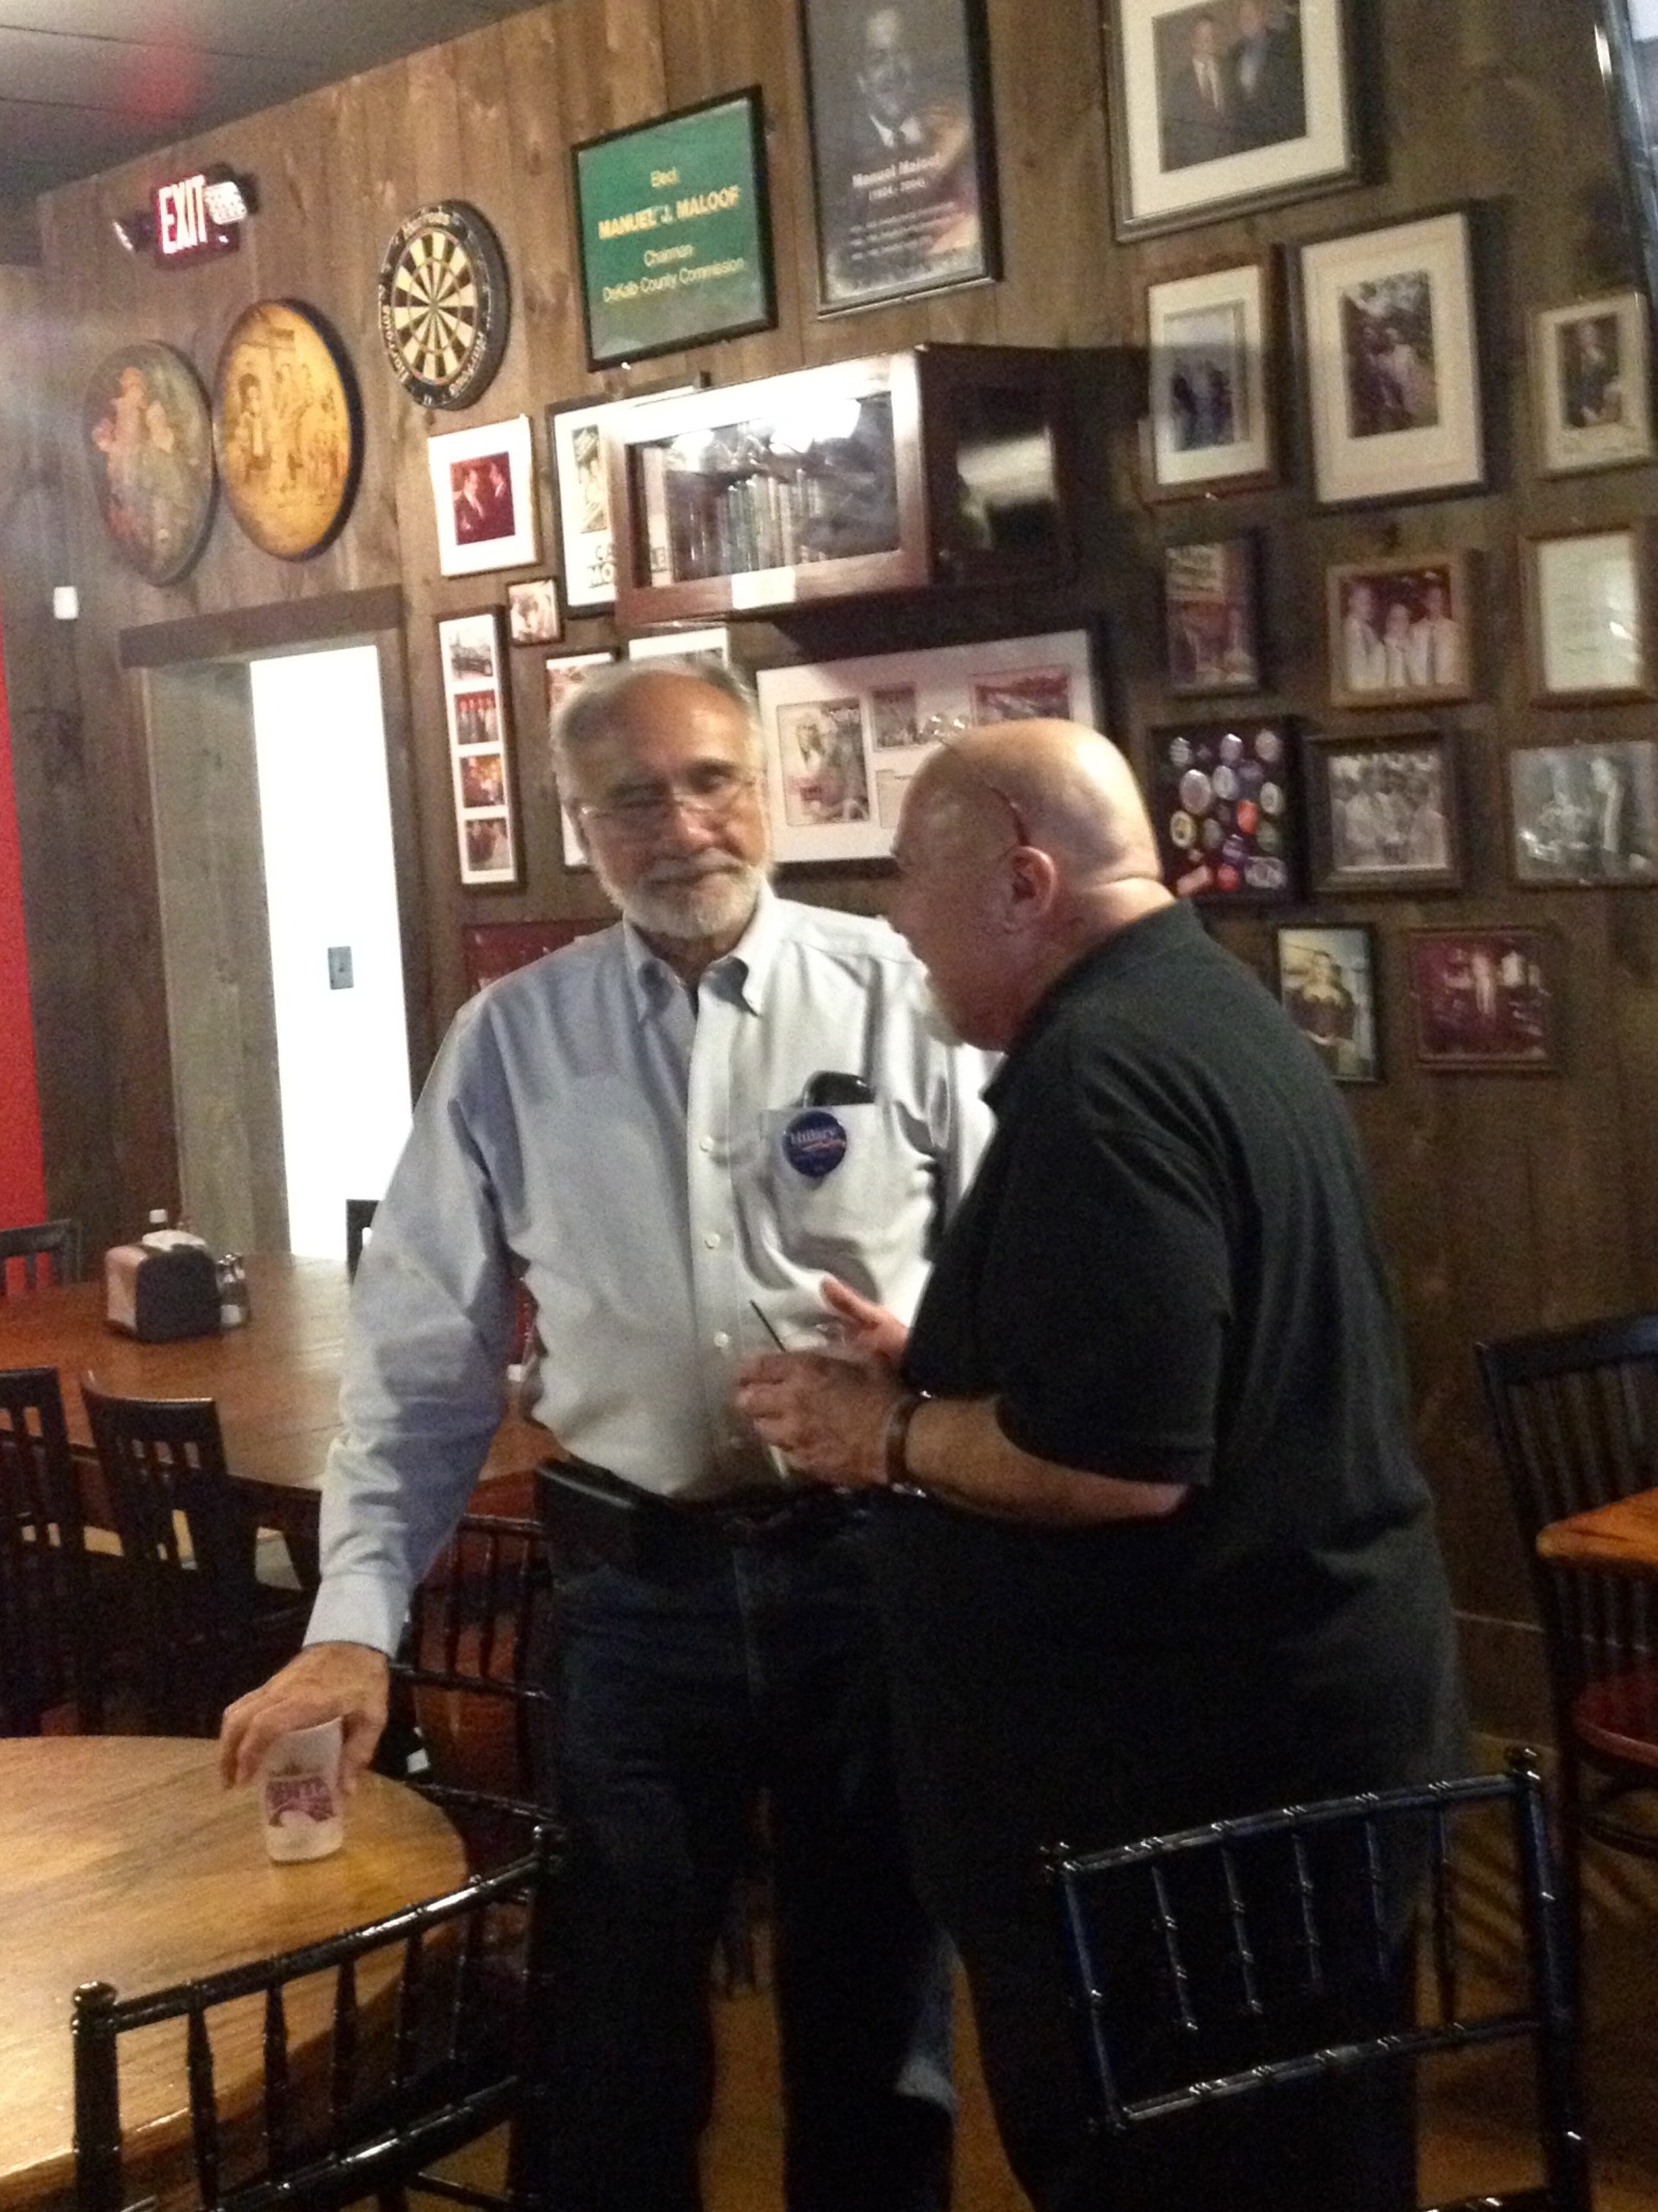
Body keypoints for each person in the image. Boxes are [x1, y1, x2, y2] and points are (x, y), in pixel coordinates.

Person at [219, 660, 995, 2212]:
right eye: (634, 799)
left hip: (876, 1575)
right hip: (636, 1601)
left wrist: (936, 1401)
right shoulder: (512, 1040)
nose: (683, 825)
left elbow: (1016, 1288)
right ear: (578, 826)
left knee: (880, 2028)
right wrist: (351, 1628)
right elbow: (420, 1360)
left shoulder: (900, 995)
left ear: (764, 789)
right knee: (614, 2037)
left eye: (712, 781)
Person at [736, 721, 1465, 2212]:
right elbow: (1178, 1353)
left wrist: (880, 1434)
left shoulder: (1103, 1075)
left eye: (911, 879)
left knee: (1197, 2177)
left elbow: (1120, 1461)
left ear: (1024, 883)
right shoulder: (1207, 1008)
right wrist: (941, 1357)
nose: (896, 920)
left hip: (1191, 1811)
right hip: (1298, 1744)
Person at [1159, 11, 1234, 172]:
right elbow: (1175, 134)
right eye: (1202, 37)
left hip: (1232, 163)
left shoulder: (1229, 72)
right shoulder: (1180, 84)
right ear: (1193, 41)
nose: (1207, 43)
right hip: (1197, 167)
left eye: (1211, 37)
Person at [1228, 0, 1306, 149]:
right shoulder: (1233, 55)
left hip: (1282, 133)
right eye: (1243, 16)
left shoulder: (1285, 44)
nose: (1247, 20)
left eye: (1251, 14)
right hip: (1250, 140)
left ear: (1263, 17)